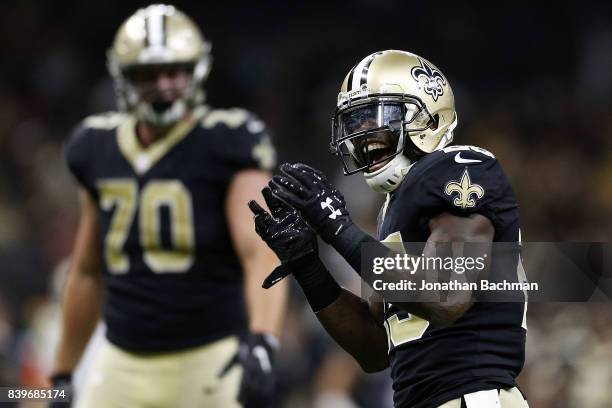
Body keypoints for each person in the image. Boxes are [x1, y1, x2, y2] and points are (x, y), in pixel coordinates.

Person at [250, 50, 529, 407]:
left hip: (471, 397)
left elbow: (446, 297)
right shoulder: (395, 208)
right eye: (355, 122)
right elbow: (374, 349)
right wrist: (308, 265)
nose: (362, 135)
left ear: (427, 115)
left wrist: (338, 228)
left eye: (374, 116)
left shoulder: (460, 167)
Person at [50, 4, 286, 408]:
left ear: (196, 69)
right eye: (148, 74)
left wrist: (263, 338)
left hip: (210, 358)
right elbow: (87, 270)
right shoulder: (95, 146)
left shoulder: (227, 139)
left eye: (174, 70)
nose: (163, 85)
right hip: (121, 359)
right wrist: (61, 374)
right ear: (123, 76)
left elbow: (259, 250)